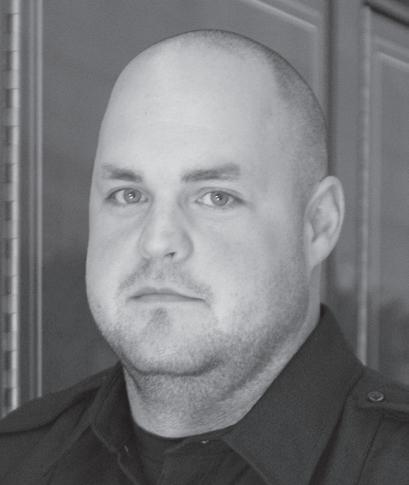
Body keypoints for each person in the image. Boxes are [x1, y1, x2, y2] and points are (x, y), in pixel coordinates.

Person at [1, 29, 409, 485]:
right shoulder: (15, 460)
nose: (157, 240)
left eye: (216, 197)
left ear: (318, 224)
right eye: (128, 194)